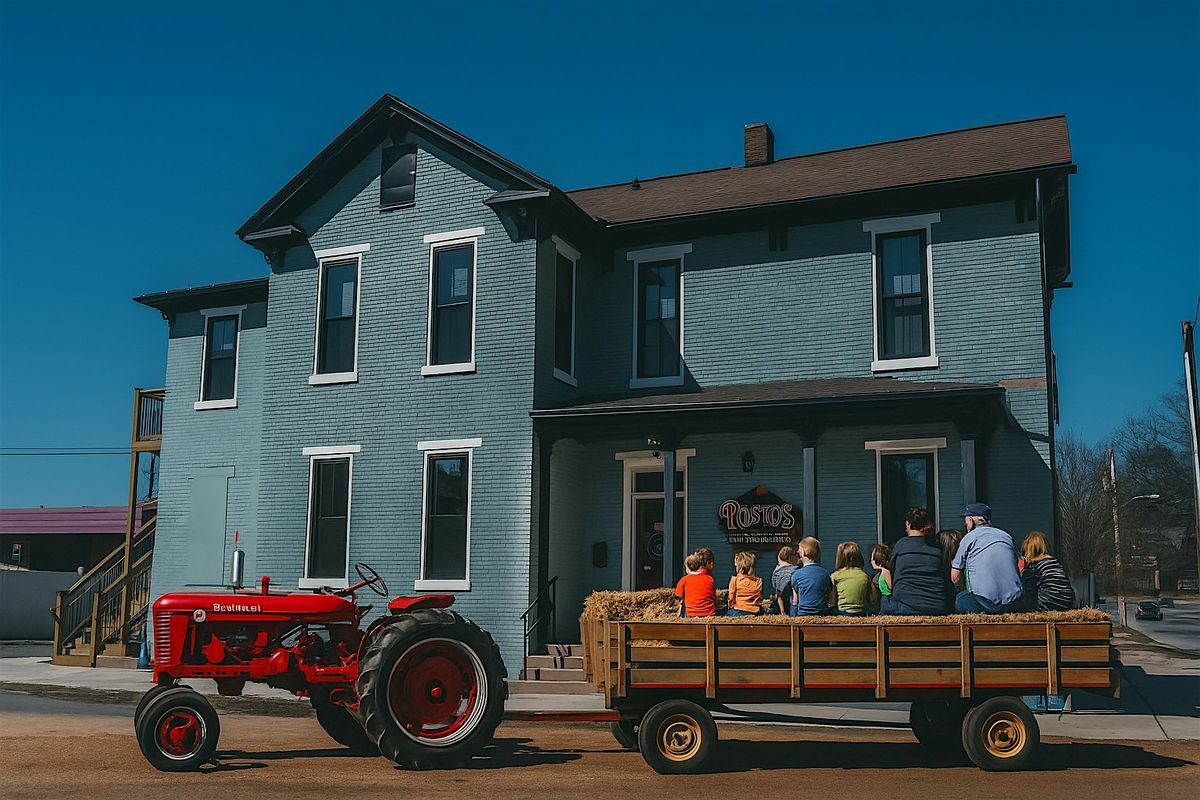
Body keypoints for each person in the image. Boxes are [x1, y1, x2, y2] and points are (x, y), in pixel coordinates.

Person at [951, 503, 1025, 614]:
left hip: (984, 603)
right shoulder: (1006, 536)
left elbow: (955, 577)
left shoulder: (969, 538)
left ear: (970, 521)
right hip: (1014, 603)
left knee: (961, 599)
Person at [881, 507, 952, 616]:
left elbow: (893, 572)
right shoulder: (936, 548)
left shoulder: (900, 545)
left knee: (885, 601)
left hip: (905, 606)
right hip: (936, 606)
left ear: (908, 524)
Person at [1020, 531, 1076, 611]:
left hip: (1046, 605)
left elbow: (1029, 591)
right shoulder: (1055, 563)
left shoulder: (1033, 566)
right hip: (1066, 604)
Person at [790, 537, 833, 616]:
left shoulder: (796, 575)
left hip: (803, 615)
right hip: (821, 615)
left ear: (803, 553)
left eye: (799, 549)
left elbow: (795, 601)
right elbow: (830, 599)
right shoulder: (825, 574)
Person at [829, 541, 870, 616]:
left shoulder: (835, 576)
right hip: (861, 613)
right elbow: (869, 599)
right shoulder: (865, 576)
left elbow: (833, 602)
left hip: (842, 612)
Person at [675, 552, 717, 617]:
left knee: (682, 602)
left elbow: (678, 596)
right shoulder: (710, 578)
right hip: (709, 614)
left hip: (691, 614)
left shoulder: (684, 580)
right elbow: (713, 596)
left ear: (688, 567)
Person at [727, 551, 764, 616]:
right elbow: (759, 598)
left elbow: (731, 598)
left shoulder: (735, 580)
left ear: (740, 567)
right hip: (755, 611)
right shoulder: (759, 581)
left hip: (738, 611)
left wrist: (730, 607)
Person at [771, 545, 800, 614]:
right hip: (795, 604)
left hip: (782, 604)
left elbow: (778, 594)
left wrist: (782, 611)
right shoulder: (797, 571)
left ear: (779, 557)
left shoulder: (776, 573)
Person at [868, 543, 893, 613]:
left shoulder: (886, 572)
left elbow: (890, 587)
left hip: (888, 600)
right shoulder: (877, 576)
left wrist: (879, 568)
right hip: (882, 600)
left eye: (873, 559)